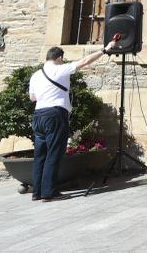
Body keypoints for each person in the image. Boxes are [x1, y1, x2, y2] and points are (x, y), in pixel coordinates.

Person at [28, 44, 110, 201]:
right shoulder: (60, 69)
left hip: (38, 115)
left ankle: (37, 192)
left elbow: (33, 97)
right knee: (54, 153)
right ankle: (48, 192)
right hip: (54, 114)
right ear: (59, 58)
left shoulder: (36, 75)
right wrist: (104, 50)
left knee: (40, 156)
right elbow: (85, 61)